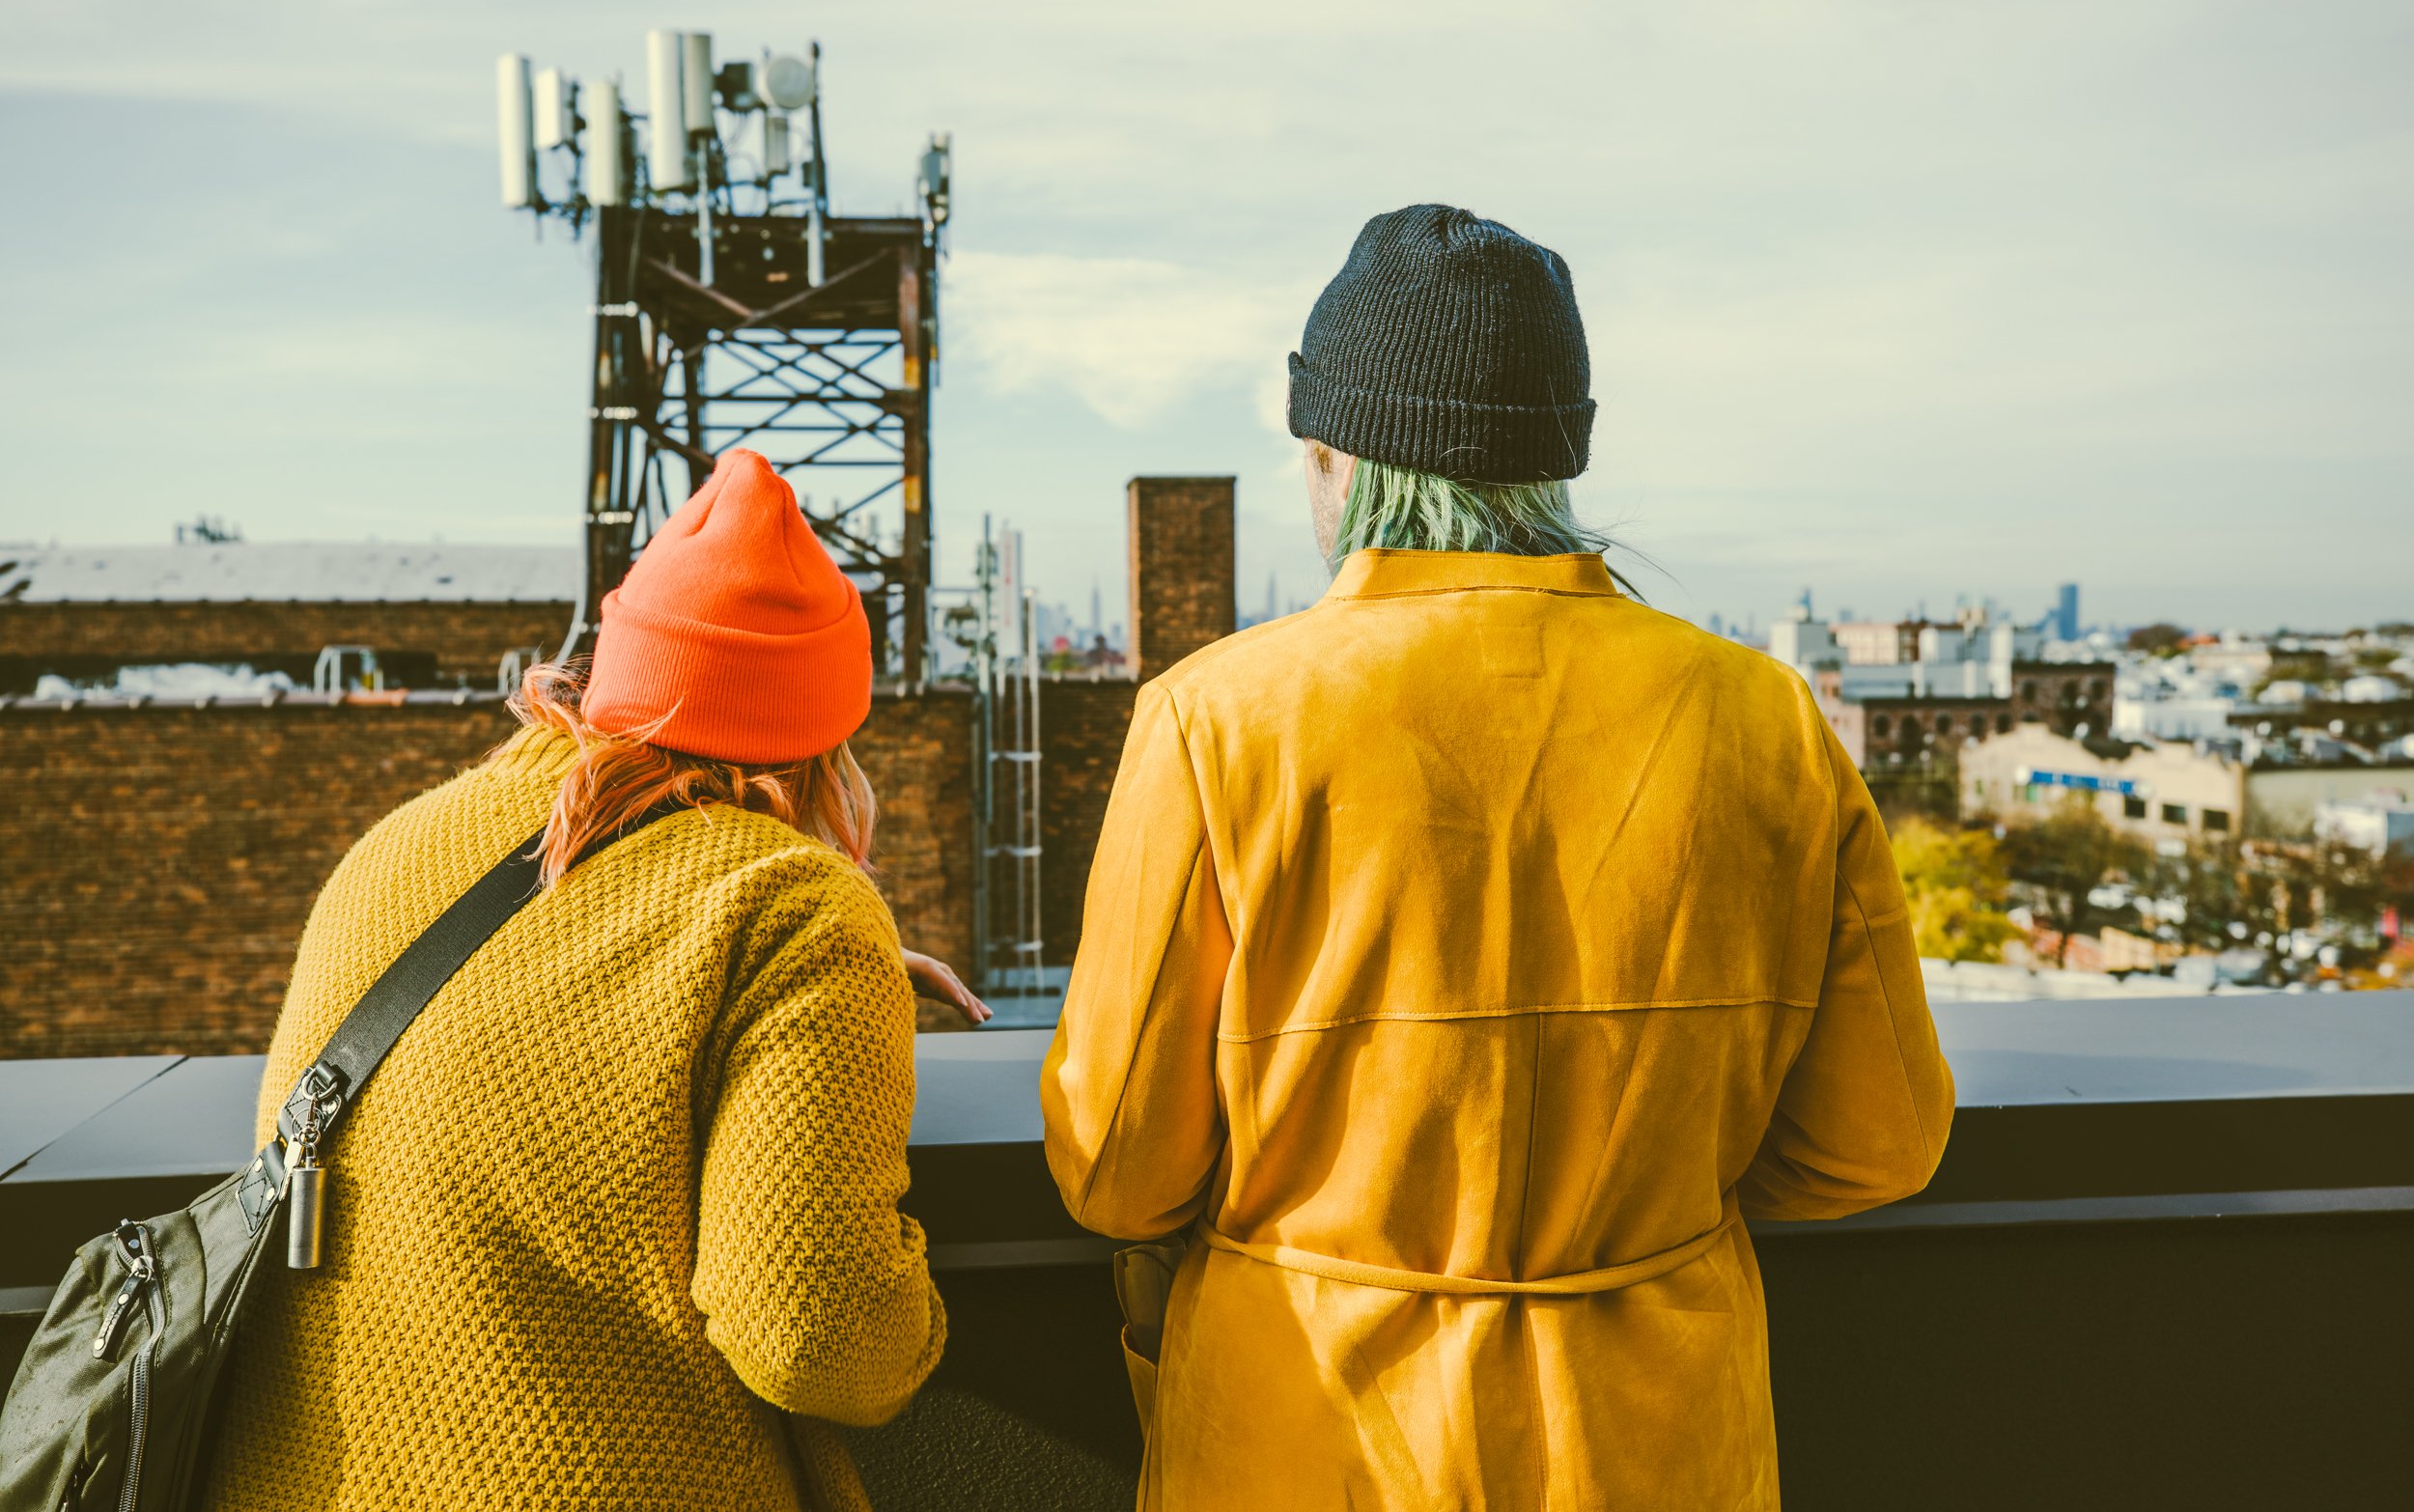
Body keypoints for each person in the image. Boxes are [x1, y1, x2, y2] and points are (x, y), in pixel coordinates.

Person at [1043, 205, 1953, 1509]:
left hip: (1311, 1439)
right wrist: (1645, 1199)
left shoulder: (1220, 717)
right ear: (1557, 455)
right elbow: (1884, 1139)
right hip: (1659, 1436)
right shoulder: (1762, 716)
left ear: (1331, 459)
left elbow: (1120, 1161)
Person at [204, 448, 979, 1512]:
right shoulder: (792, 911)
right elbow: (817, 1337)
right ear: (821, 729)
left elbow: (562, 973)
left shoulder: (398, 844)